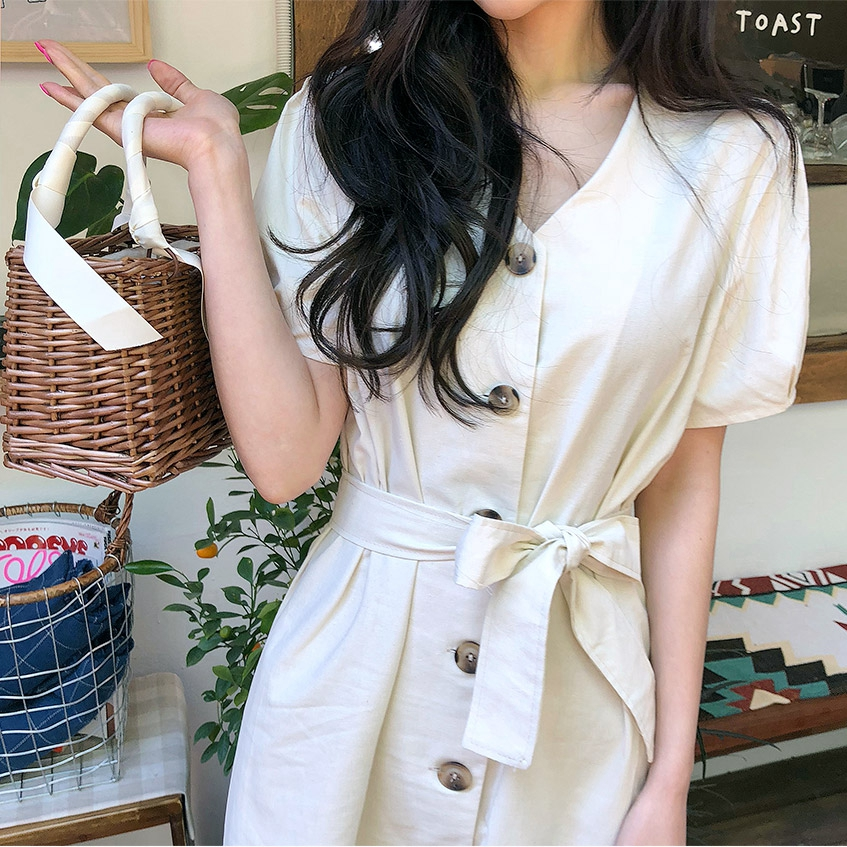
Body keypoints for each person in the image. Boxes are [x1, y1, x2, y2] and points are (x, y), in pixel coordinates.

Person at [36, 0, 810, 843]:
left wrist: (667, 778)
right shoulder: (342, 123)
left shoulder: (734, 156)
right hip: (350, 705)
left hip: (577, 714)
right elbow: (285, 461)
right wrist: (216, 171)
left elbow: (682, 483)